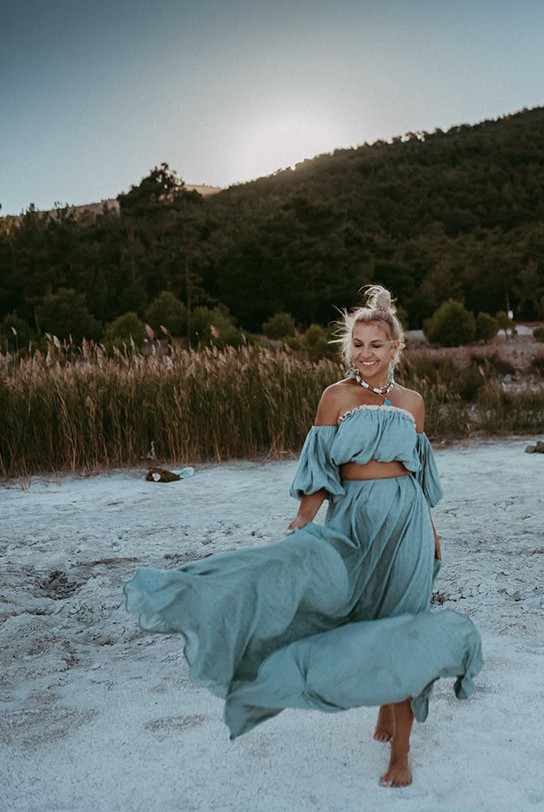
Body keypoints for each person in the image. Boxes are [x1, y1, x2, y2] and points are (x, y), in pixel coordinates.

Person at [124, 285, 481, 789]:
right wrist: (303, 520)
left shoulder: (414, 404)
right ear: (347, 347)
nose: (365, 353)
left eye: (376, 344)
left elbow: (420, 477)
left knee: (403, 627)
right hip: (353, 523)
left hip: (406, 528)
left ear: (396, 349)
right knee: (355, 616)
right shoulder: (334, 398)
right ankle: (376, 700)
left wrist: (433, 531)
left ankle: (400, 748)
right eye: (357, 344)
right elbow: (317, 473)